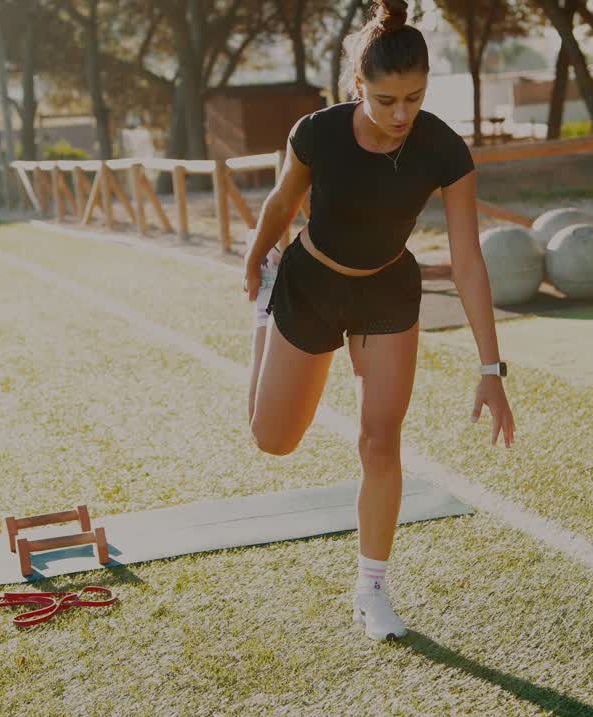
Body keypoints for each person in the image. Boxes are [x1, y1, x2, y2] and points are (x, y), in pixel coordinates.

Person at [243, 0, 515, 642]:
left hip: (388, 292)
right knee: (273, 441)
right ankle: (265, 317)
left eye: (414, 98)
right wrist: (257, 260)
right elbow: (283, 201)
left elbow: (469, 261)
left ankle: (371, 588)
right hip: (309, 283)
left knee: (380, 439)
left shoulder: (444, 149)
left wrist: (491, 367)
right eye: (387, 100)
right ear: (358, 86)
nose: (402, 115)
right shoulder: (318, 132)